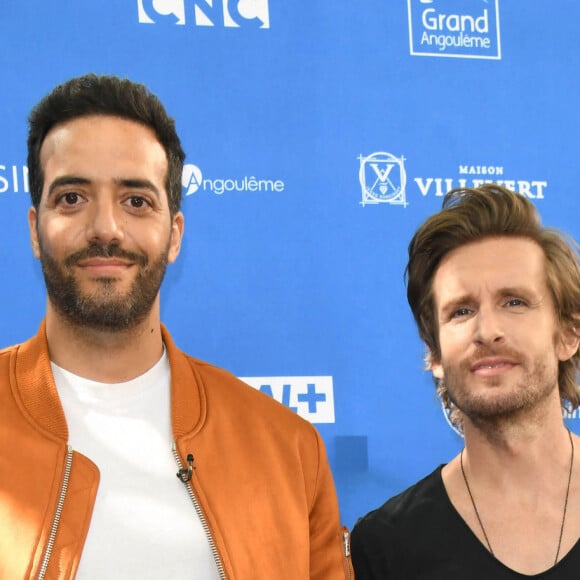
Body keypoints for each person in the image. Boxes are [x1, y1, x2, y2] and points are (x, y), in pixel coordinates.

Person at [0, 74, 353, 579]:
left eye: (136, 201)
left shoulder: (288, 450)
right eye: (72, 198)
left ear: (175, 235)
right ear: (35, 229)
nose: (106, 228)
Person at [351, 184, 580, 578]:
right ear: (435, 353)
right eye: (461, 311)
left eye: (514, 302)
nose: (487, 330)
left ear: (568, 335)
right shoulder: (387, 542)